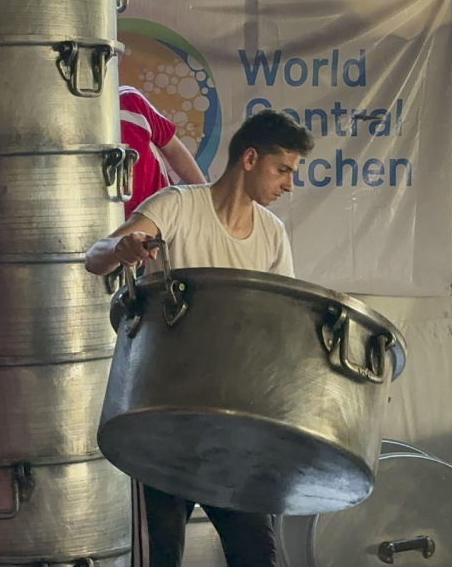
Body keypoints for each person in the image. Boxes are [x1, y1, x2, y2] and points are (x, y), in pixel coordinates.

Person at [86, 109, 315, 567]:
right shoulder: (178, 205)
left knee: (257, 556)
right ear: (250, 158)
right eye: (283, 170)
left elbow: (279, 325)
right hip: (163, 422)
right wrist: (123, 248)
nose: (289, 184)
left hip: (236, 430)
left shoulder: (272, 234)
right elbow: (96, 257)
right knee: (160, 558)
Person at [120, 85, 208, 219]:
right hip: (107, 230)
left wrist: (207, 199)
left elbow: (174, 149)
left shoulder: (129, 99)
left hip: (163, 219)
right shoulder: (76, 124)